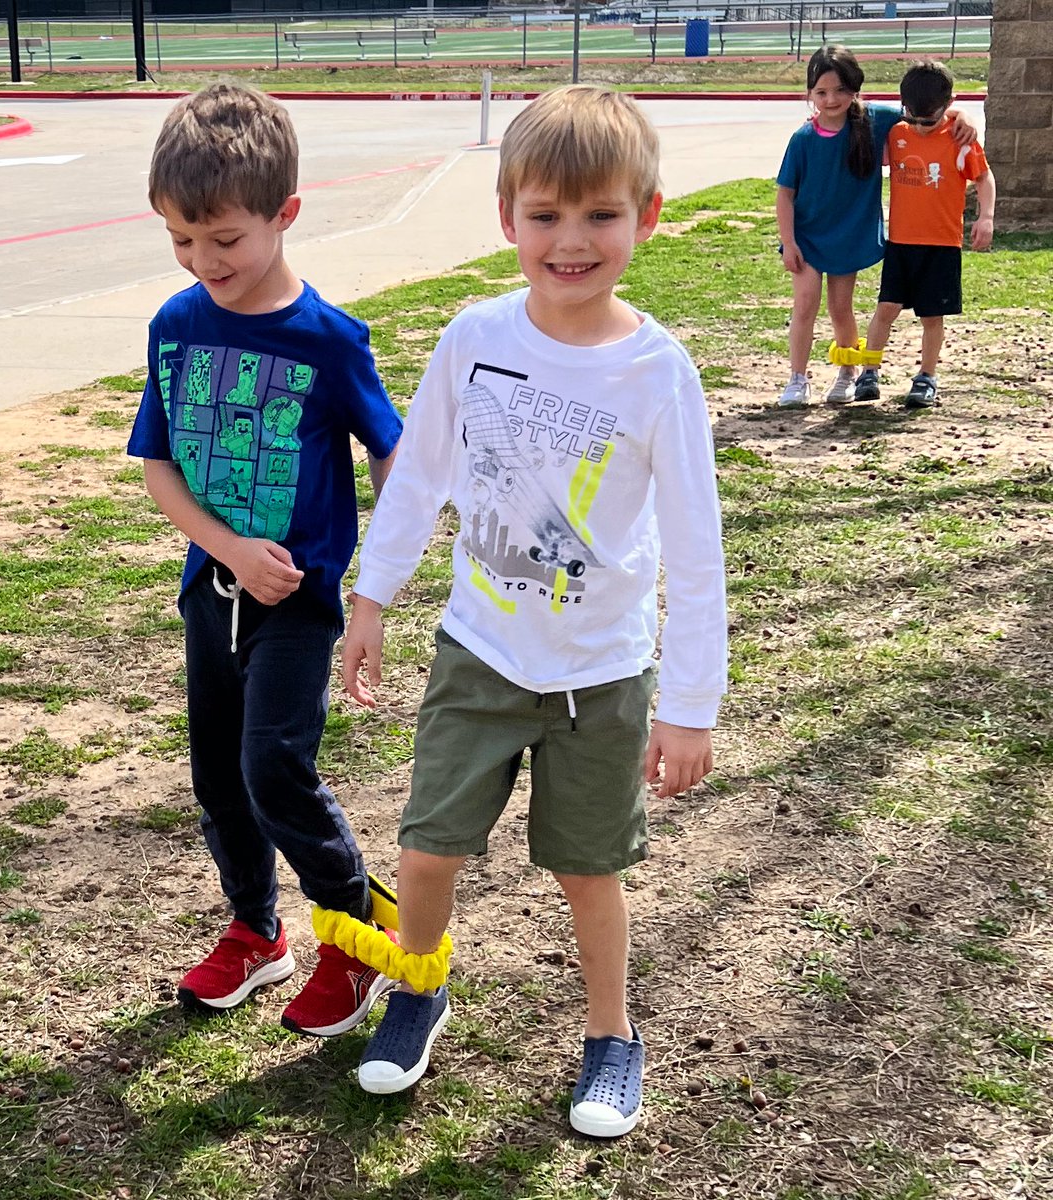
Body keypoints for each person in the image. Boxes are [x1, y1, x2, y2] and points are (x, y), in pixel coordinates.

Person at [339, 85, 728, 1139]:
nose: (571, 240)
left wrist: (689, 706)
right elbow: (417, 476)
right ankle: (418, 989)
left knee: (587, 870)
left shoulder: (659, 371)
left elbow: (695, 551)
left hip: (602, 673)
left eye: (600, 215)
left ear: (647, 216)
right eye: (546, 214)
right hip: (480, 652)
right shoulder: (474, 337)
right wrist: (371, 596)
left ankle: (613, 1037)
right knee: (428, 852)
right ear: (507, 213)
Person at [126, 83, 404, 1036]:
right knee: (217, 776)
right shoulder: (177, 324)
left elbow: (393, 453)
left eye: (225, 240)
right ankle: (256, 932)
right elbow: (159, 466)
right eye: (181, 242)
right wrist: (230, 550)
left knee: (275, 768)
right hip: (213, 593)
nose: (205, 262)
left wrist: (379, 577)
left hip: (300, 603)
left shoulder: (329, 341)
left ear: (285, 214)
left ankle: (355, 936)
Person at [775, 45, 975, 408]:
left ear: (855, 88)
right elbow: (785, 193)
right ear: (810, 94)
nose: (831, 99)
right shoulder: (802, 139)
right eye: (821, 92)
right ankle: (797, 378)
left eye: (840, 90)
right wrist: (788, 241)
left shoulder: (875, 120)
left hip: (848, 236)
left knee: (840, 307)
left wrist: (960, 116)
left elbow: (925, 111)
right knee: (804, 304)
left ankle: (849, 371)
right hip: (807, 238)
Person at [853, 60, 994, 409]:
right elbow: (860, 113)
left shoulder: (960, 141)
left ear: (947, 105)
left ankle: (926, 376)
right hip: (901, 242)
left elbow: (983, 178)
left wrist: (986, 216)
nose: (919, 126)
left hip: (941, 244)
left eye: (928, 120)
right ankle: (869, 371)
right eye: (912, 117)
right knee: (885, 308)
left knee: (932, 316)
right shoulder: (897, 133)